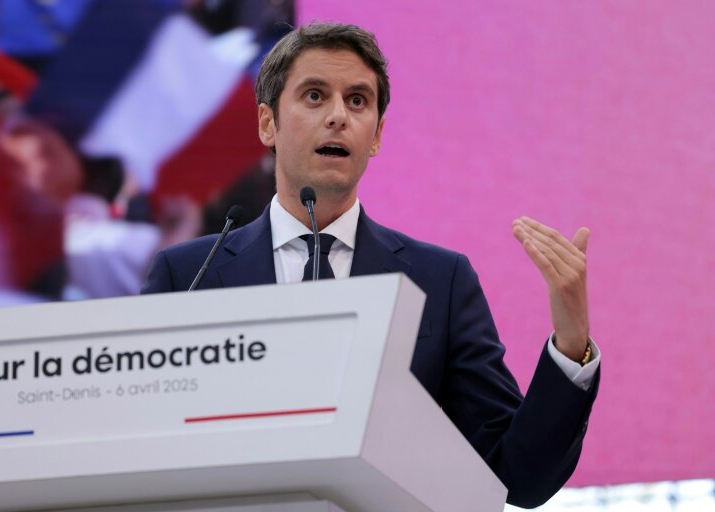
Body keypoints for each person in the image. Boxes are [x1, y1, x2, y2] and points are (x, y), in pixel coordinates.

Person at [141, 23, 600, 509]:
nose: (338, 116)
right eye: (314, 96)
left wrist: (571, 344)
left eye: (357, 101)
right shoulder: (187, 276)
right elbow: (141, 447)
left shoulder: (439, 281)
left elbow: (517, 477)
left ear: (377, 134)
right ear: (267, 123)